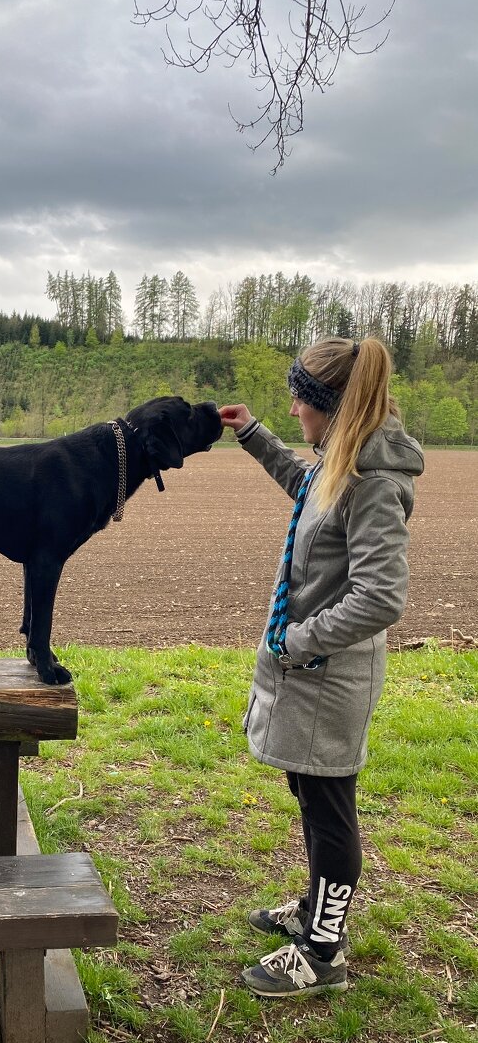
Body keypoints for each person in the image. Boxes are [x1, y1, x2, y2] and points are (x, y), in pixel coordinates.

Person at [219, 335, 424, 997]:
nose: (293, 410)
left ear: (330, 407)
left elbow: (382, 596)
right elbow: (307, 492)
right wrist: (253, 435)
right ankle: (312, 909)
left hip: (329, 677)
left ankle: (323, 952)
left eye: (301, 401)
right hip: (310, 673)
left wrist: (296, 641)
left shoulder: (373, 479)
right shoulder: (343, 458)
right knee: (311, 796)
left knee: (331, 809)